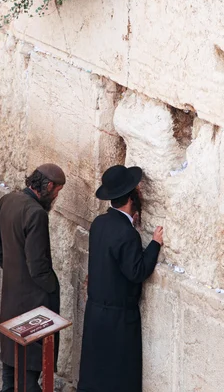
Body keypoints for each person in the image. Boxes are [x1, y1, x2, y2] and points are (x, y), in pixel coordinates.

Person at [77, 164, 164, 392]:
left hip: (96, 313)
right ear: (131, 198)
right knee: (119, 376)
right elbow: (137, 272)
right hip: (119, 319)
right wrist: (155, 243)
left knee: (96, 373)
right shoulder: (127, 234)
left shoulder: (99, 224)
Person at [0, 164, 66, 392]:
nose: (56, 197)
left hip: (11, 296)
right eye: (57, 192)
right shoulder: (36, 213)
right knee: (29, 372)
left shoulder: (7, 200)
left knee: (10, 369)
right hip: (33, 301)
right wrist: (53, 288)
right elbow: (38, 266)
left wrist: (15, 272)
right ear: (49, 186)